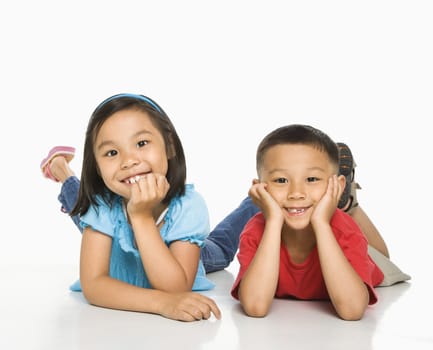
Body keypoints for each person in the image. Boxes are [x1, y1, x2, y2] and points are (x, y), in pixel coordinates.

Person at [41, 93, 221, 322]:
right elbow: (94, 284)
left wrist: (142, 217)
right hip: (111, 218)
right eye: (112, 153)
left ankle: (254, 201)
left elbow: (176, 288)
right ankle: (60, 168)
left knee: (220, 250)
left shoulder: (189, 206)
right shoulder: (101, 206)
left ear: (169, 146)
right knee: (81, 204)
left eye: (142, 143)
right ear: (97, 167)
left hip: (192, 253)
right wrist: (160, 303)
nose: (129, 161)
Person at [230, 124, 387, 321]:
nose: (296, 193)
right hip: (302, 213)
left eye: (312, 179)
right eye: (281, 180)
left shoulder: (346, 230)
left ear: (336, 184)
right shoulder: (256, 230)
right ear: (260, 188)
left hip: (367, 261)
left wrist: (322, 223)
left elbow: (352, 310)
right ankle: (339, 200)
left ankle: (347, 203)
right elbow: (255, 306)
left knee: (383, 259)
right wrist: (273, 222)